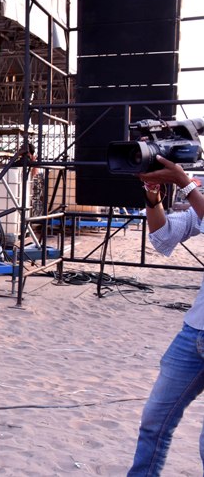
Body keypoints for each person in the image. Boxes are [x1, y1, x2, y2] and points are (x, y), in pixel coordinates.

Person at [128, 154, 204, 475]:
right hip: (195, 331)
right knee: (154, 421)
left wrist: (184, 183)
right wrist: (153, 194)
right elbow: (164, 236)